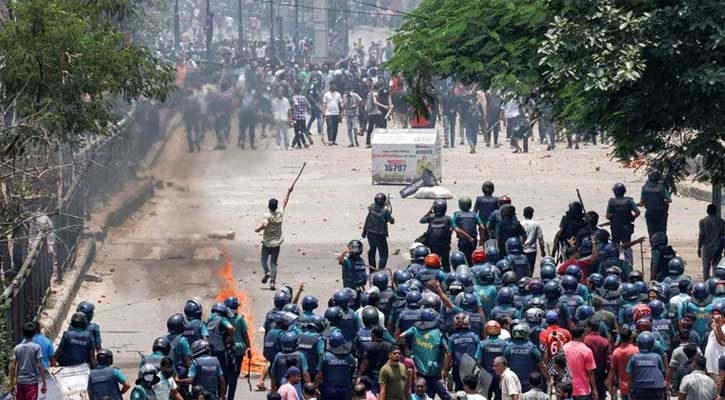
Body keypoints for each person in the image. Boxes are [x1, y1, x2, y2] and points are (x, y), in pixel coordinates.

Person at [255, 186, 294, 290]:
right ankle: (272, 281)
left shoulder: (267, 215)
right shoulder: (280, 213)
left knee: (264, 260)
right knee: (273, 263)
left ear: (269, 206)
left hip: (267, 243)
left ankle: (267, 272)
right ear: (276, 207)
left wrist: (258, 229)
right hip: (277, 244)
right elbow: (284, 202)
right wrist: (288, 191)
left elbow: (265, 224)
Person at [606, 182, 640, 266]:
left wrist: (612, 216)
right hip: (627, 227)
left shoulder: (611, 202)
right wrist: (632, 218)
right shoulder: (629, 201)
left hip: (615, 227)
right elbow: (637, 212)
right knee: (627, 246)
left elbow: (607, 216)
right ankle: (629, 265)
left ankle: (614, 264)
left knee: (615, 246)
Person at [10, 322, 47, 400]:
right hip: (31, 382)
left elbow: (12, 366)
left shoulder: (17, 348)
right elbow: (40, 366)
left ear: (23, 333)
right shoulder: (36, 347)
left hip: (20, 382)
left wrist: (11, 384)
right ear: (34, 333)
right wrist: (44, 383)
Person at [561, 326, 598, 400]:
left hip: (566, 389)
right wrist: (594, 390)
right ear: (583, 335)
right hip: (582, 390)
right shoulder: (587, 351)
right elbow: (590, 373)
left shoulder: (564, 348)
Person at [627, 332, 666, 400]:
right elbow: (662, 372)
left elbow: (629, 374)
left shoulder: (633, 357)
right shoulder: (657, 357)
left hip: (638, 389)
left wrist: (629, 389)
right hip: (655, 389)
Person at [362, 193, 395, 270]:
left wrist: (364, 232)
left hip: (370, 234)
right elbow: (392, 221)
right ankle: (380, 271)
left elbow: (367, 220)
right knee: (384, 255)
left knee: (372, 250)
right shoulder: (385, 211)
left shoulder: (371, 207)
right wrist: (389, 206)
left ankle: (372, 270)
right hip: (380, 236)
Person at [420, 199, 453, 272]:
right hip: (445, 245)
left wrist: (429, 211)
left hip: (433, 246)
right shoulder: (448, 219)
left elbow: (422, 220)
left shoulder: (431, 217)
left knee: (434, 262)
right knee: (446, 264)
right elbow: (453, 228)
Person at [639, 169, 671, 240]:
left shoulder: (644, 188)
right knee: (662, 232)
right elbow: (669, 200)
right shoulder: (661, 187)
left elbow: (641, 203)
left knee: (651, 232)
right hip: (661, 213)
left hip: (650, 214)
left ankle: (653, 248)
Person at [451, 196, 485, 264]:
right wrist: (481, 239)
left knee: (463, 259)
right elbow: (482, 227)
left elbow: (456, 229)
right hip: (473, 240)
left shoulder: (457, 215)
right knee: (471, 259)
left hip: (463, 241)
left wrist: (468, 237)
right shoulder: (474, 215)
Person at [582, 319, 610, 400]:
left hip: (586, 372)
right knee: (601, 394)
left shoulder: (584, 340)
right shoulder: (605, 341)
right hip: (600, 372)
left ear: (589, 328)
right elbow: (608, 361)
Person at [607, 326, 638, 400]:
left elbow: (613, 370)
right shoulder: (637, 350)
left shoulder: (616, 352)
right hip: (636, 385)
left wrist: (610, 385)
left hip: (623, 387)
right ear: (631, 337)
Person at [699, 204, 725, 280]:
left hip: (707, 248)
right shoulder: (721, 222)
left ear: (707, 211)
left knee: (706, 269)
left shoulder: (703, 221)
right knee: (716, 268)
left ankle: (706, 285)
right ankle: (715, 284)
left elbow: (701, 236)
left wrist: (699, 248)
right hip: (717, 249)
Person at [521, 206, 545, 271]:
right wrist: (543, 251)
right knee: (531, 269)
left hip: (521, 250)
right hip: (532, 250)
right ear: (532, 214)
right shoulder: (536, 224)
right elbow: (540, 239)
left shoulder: (520, 224)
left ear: (523, 214)